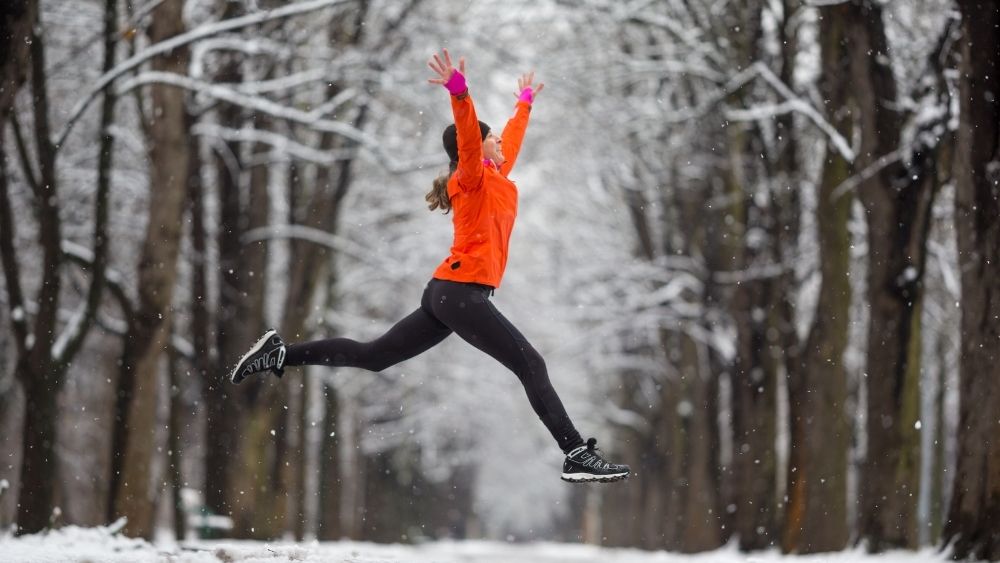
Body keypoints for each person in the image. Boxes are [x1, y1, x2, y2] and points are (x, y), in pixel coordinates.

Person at [230, 49, 629, 483]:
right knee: (531, 365)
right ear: (472, 149)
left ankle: (281, 353)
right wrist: (460, 93)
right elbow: (470, 137)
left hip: (448, 293)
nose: (498, 142)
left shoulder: (496, 175)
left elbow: (510, 139)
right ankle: (575, 453)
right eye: (490, 138)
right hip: (460, 292)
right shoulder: (471, 178)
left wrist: (525, 101)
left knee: (375, 356)